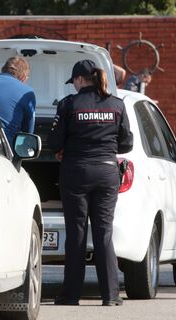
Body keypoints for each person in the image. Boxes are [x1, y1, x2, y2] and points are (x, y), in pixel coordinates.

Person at [49, 59, 133, 306]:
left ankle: (71, 295)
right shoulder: (116, 105)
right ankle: (111, 295)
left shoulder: (68, 105)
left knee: (76, 232)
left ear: (78, 80)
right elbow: (127, 143)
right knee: (104, 233)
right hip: (107, 172)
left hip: (76, 172)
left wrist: (66, 148)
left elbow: (54, 142)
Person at [0, 56, 36, 146]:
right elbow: (28, 132)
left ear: (3, 70)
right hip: (2, 148)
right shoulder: (27, 92)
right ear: (24, 77)